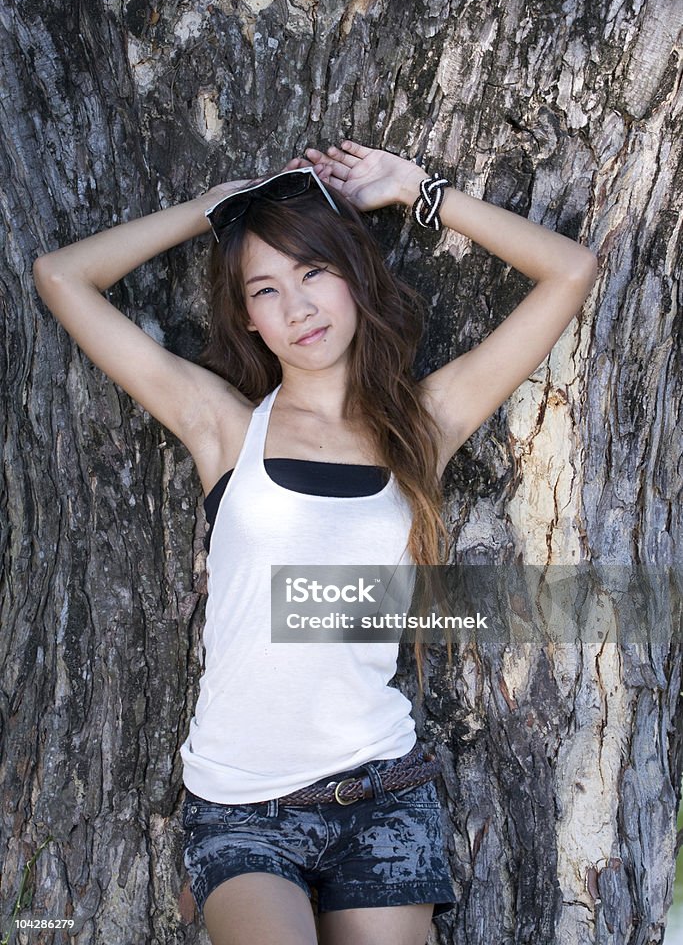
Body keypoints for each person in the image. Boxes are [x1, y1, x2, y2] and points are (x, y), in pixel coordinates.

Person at [33, 138, 597, 945]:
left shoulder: (423, 424)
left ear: (357, 278)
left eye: (313, 272)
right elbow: (61, 277)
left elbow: (569, 272)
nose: (296, 308)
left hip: (381, 794)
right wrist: (220, 207)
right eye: (265, 289)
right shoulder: (224, 426)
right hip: (240, 806)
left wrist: (413, 188)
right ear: (248, 318)